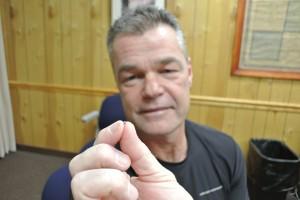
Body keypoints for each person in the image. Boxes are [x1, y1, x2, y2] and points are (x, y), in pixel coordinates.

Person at [69, 6, 249, 200]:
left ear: (189, 73)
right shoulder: (99, 169)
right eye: (132, 77)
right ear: (118, 85)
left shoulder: (226, 151)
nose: (152, 90)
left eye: (167, 71)